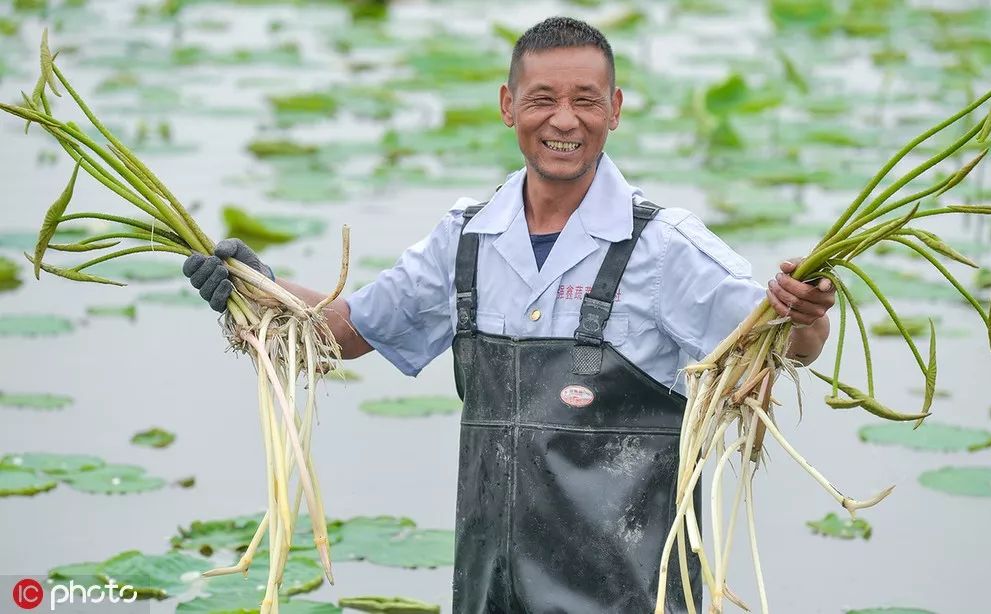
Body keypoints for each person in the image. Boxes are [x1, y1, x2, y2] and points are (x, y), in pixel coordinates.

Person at [184, 16, 835, 614]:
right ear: (507, 106)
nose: (564, 120)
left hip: (634, 600)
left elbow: (783, 347)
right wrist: (259, 289)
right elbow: (348, 329)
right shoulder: (465, 240)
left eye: (585, 99)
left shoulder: (667, 248)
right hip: (489, 596)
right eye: (543, 99)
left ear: (614, 110)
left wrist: (805, 315)